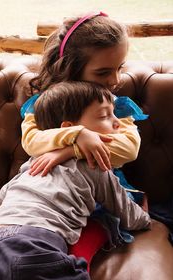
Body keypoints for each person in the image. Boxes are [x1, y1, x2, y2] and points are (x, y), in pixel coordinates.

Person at [0, 81, 151, 280]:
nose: (116, 121)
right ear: (68, 128)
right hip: (36, 247)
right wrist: (145, 217)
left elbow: (5, 193)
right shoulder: (95, 167)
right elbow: (126, 213)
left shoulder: (34, 163)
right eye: (104, 115)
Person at [20, 11, 148, 267]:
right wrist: (78, 135)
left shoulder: (115, 107)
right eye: (103, 73)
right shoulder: (43, 105)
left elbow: (129, 147)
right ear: (73, 67)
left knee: (76, 254)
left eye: (119, 68)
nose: (115, 80)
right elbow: (32, 141)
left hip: (101, 196)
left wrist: (68, 151)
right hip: (54, 195)